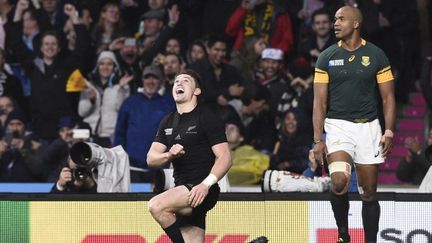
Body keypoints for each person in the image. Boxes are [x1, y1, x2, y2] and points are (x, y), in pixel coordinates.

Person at [312, 6, 396, 243]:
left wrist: (388, 131)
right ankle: (343, 235)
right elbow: (319, 102)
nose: (335, 23)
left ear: (356, 24)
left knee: (368, 192)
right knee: (339, 182)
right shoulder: (326, 56)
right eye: (335, 19)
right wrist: (318, 140)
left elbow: (388, 98)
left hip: (369, 127)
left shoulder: (376, 55)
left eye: (341, 19)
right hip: (338, 126)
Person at [147, 70, 232, 243]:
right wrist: (168, 155)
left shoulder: (206, 116)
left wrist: (205, 185)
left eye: (185, 81)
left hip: (202, 189)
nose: (179, 83)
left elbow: (225, 158)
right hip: (182, 192)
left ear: (196, 91)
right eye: (176, 81)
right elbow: (151, 158)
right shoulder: (168, 121)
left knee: (156, 206)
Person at [114, 65, 174, 182]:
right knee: (135, 200)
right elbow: (119, 133)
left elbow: (175, 132)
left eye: (154, 78)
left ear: (161, 81)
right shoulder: (130, 102)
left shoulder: (169, 103)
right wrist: (120, 157)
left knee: (157, 200)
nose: (150, 82)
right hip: (133, 168)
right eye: (147, 78)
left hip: (160, 167)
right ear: (143, 80)